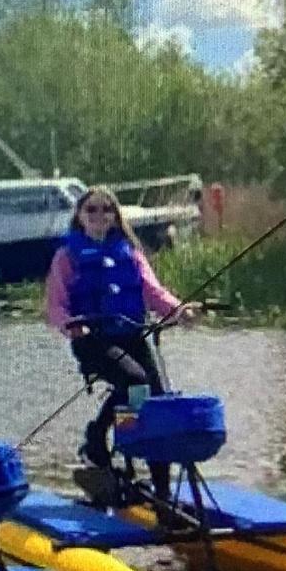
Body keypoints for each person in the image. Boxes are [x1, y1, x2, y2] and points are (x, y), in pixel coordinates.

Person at [45, 186, 199, 500]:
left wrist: (179, 310)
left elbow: (153, 292)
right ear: (80, 216)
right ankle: (96, 435)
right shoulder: (67, 256)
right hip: (93, 340)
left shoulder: (130, 253)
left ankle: (163, 494)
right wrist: (71, 327)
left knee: (155, 405)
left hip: (132, 334)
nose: (100, 215)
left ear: (116, 216)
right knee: (134, 381)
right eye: (92, 210)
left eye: (106, 210)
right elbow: (55, 306)